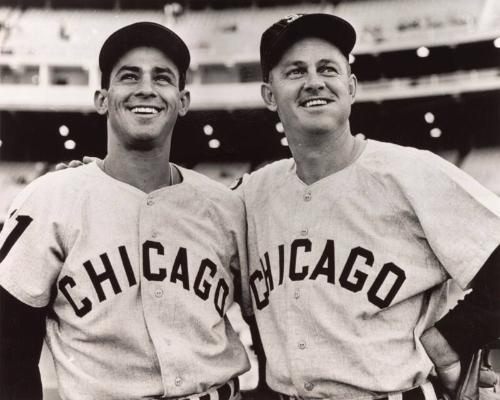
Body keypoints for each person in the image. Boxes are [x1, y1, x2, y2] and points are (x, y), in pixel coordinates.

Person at [235, 13, 500, 400]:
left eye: (328, 68)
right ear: (269, 95)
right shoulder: (250, 194)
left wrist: (449, 340)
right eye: (295, 71)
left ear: (351, 86)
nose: (314, 82)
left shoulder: (410, 171)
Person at [0, 22, 250, 400]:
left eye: (162, 77)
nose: (146, 89)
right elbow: (8, 354)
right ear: (102, 98)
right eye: (129, 76)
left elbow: (271, 318)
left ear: (183, 101)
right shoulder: (50, 200)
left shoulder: (225, 207)